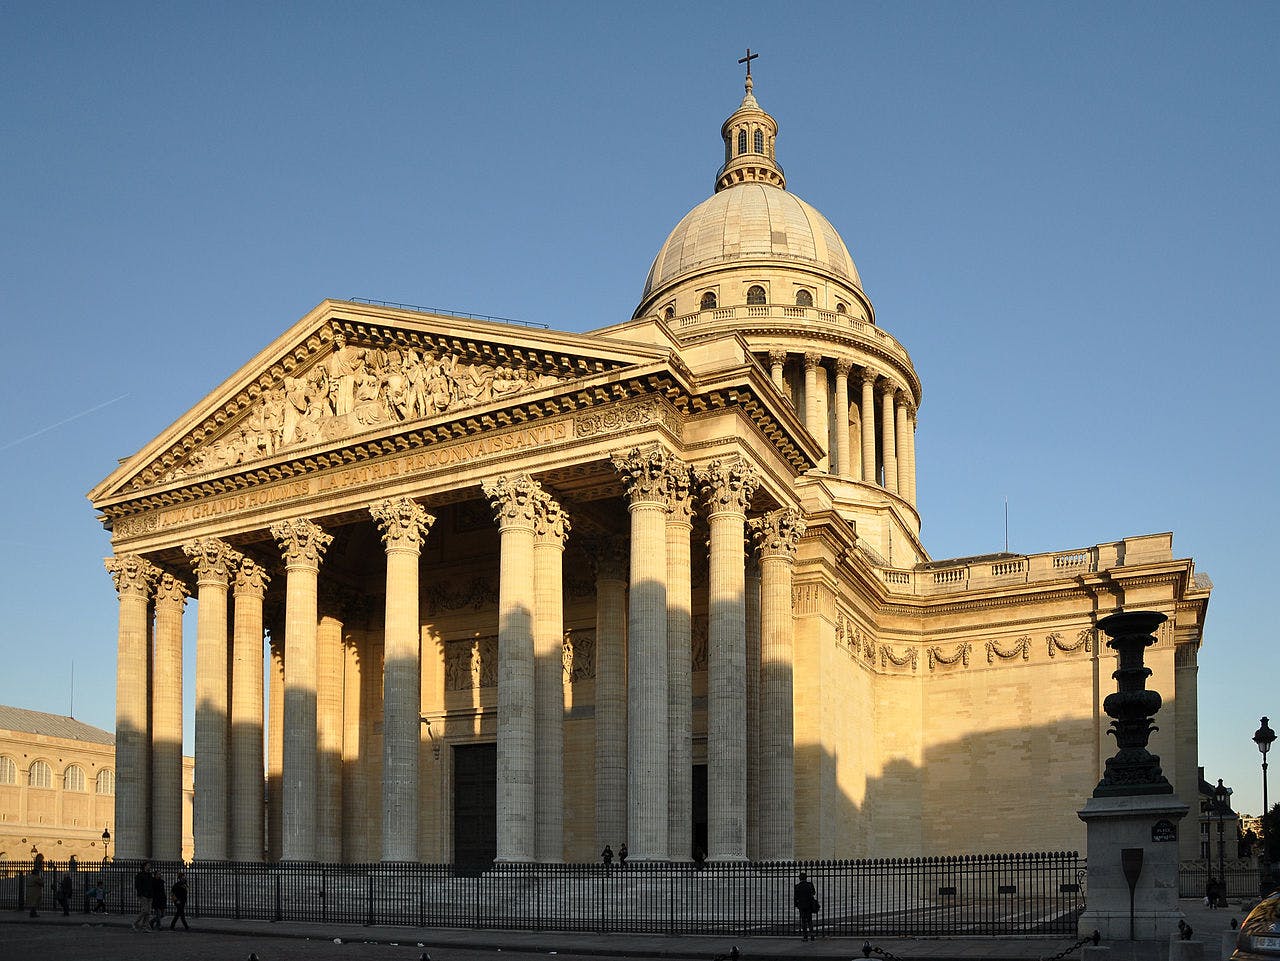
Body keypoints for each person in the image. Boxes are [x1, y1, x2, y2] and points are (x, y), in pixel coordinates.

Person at [794, 871, 819, 941]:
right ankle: (812, 934)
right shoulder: (810, 885)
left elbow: (796, 897)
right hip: (809, 904)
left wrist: (796, 905)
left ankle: (805, 936)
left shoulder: (797, 886)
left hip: (801, 905)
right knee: (809, 920)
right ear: (806, 878)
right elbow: (813, 893)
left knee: (803, 921)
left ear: (799, 878)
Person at [132, 861, 153, 931]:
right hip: (143, 895)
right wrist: (141, 894)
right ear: (144, 866)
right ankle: (135, 923)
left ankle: (144, 926)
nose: (149, 866)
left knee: (148, 912)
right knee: (145, 910)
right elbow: (137, 885)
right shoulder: (140, 875)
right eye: (148, 865)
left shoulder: (150, 875)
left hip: (150, 895)